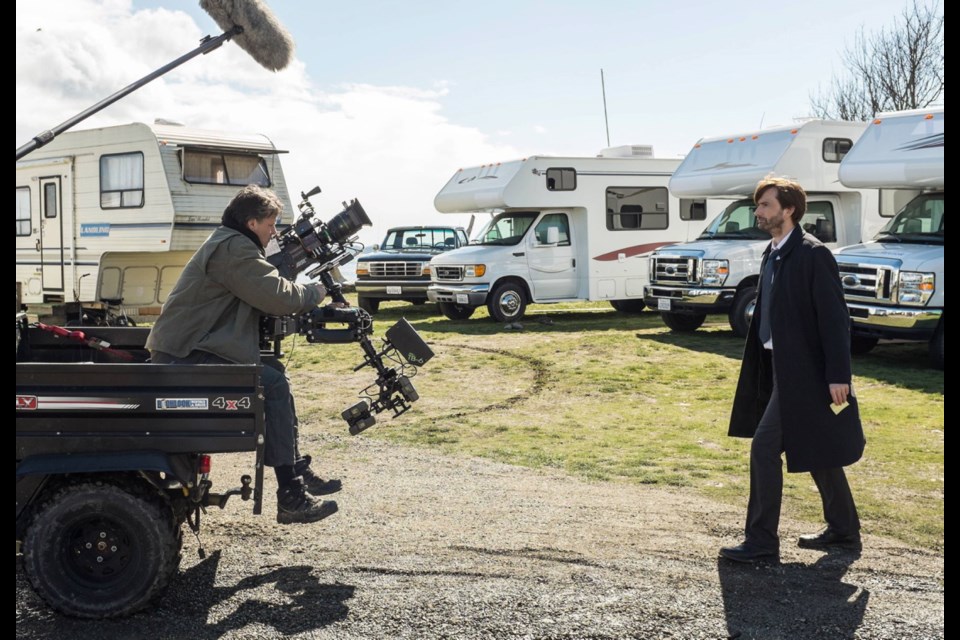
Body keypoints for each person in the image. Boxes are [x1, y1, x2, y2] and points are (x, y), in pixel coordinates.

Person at [146, 184, 342, 525]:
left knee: (274, 371)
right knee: (272, 384)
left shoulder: (230, 242)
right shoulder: (235, 248)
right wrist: (318, 291)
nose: (274, 232)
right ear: (252, 223)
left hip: (192, 348)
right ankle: (291, 495)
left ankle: (292, 469)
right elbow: (277, 295)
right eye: (270, 224)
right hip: (186, 355)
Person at [720, 176, 866, 563]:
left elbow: (835, 319)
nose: (758, 212)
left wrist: (839, 375)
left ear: (789, 209)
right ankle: (844, 530)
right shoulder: (772, 253)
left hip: (805, 373)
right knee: (816, 446)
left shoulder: (812, 254)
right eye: (758, 205)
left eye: (765, 205)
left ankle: (762, 541)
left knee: (764, 448)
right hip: (775, 366)